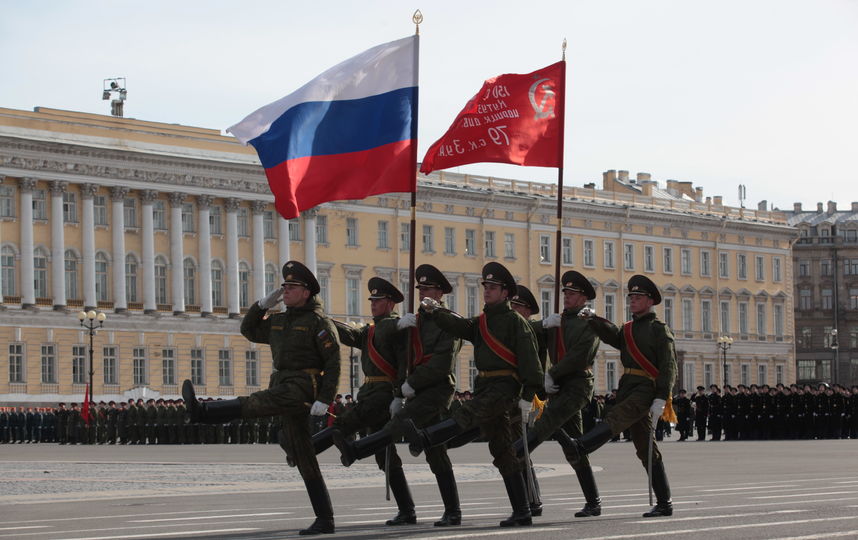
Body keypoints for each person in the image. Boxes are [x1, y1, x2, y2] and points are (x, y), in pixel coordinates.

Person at [182, 260, 341, 536]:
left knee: (257, 403)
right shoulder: (279, 320)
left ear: (306, 292)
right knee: (304, 455)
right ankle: (325, 518)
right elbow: (249, 330)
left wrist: (326, 398)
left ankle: (203, 412)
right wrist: (261, 305)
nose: (286, 291)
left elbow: (334, 361)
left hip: (303, 386)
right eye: (284, 286)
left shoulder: (318, 322)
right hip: (282, 381)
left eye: (292, 287)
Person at [398, 262, 543, 527]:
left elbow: (532, 364)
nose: (487, 290)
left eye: (493, 287)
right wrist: (434, 310)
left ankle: (426, 438)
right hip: (486, 386)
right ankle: (522, 511)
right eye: (485, 286)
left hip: (505, 388)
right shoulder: (482, 321)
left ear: (506, 292)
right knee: (503, 452)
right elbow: (459, 327)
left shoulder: (516, 323)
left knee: (468, 412)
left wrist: (529, 396)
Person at [335, 264, 464, 527]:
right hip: (414, 390)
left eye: (429, 288)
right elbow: (402, 359)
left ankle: (453, 510)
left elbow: (441, 363)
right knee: (424, 446)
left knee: (431, 448)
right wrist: (399, 390)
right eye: (421, 289)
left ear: (441, 293)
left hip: (437, 389)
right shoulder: (413, 321)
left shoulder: (449, 322)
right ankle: (411, 510)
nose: (424, 293)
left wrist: (409, 385)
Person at [563, 274, 677, 518]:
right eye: (631, 297)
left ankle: (583, 445)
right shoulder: (628, 328)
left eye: (638, 297)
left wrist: (661, 396)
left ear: (650, 301)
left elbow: (669, 366)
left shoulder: (659, 330)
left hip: (646, 387)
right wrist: (593, 320)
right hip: (629, 386)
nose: (633, 301)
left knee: (617, 416)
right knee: (645, 447)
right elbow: (614, 336)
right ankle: (665, 502)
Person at [326, 277, 416, 526]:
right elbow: (351, 334)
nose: (373, 304)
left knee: (345, 423)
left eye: (378, 301)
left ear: (389, 303)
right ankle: (407, 510)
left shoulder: (394, 328)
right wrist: (324, 321)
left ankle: (310, 448)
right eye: (372, 301)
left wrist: (399, 395)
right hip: (370, 392)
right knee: (384, 454)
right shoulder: (371, 330)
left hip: (383, 394)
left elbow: (402, 364)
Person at [513, 271, 603, 518]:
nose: (566, 297)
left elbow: (581, 355)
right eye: (565, 293)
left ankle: (516, 451)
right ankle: (593, 501)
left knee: (547, 421)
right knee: (573, 445)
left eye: (572, 294)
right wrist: (542, 324)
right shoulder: (557, 320)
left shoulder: (589, 321)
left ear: (583, 298)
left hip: (577, 385)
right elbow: (522, 333)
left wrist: (553, 373)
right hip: (558, 386)